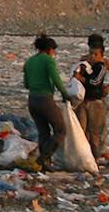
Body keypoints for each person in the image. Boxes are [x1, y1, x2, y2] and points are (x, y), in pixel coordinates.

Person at [22, 34, 72, 168]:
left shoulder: (30, 61)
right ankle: (43, 158)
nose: (54, 54)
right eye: (54, 51)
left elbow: (26, 84)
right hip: (45, 100)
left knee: (43, 132)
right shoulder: (48, 61)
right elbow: (56, 79)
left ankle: (44, 164)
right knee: (60, 130)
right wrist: (65, 94)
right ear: (50, 49)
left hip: (32, 100)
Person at [73, 34, 109, 158]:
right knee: (82, 130)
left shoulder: (103, 63)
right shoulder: (85, 61)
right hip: (85, 98)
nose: (92, 56)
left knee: (96, 130)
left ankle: (95, 156)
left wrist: (108, 87)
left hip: (96, 98)